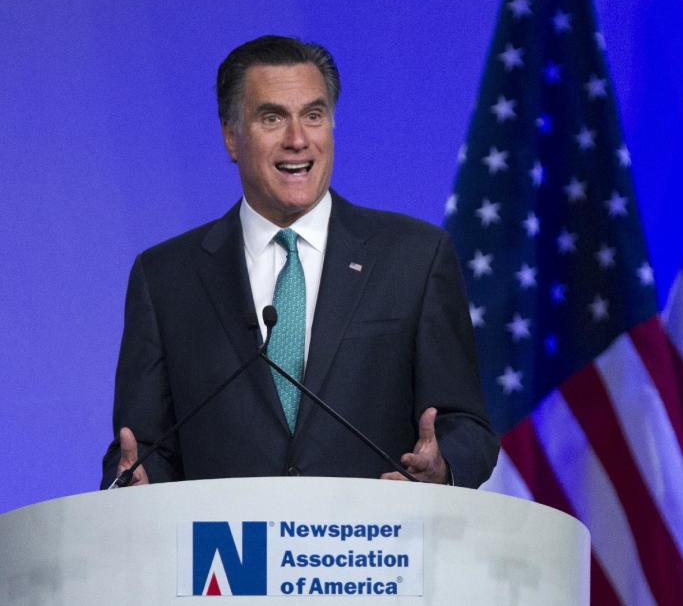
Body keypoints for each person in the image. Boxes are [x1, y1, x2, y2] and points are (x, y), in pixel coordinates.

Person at [100, 35, 498, 489]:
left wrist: (442, 467)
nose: (297, 140)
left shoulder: (415, 257)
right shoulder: (166, 278)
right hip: (228, 554)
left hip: (373, 549)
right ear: (232, 137)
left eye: (314, 115)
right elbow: (142, 446)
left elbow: (467, 425)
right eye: (272, 118)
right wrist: (136, 485)